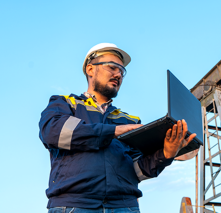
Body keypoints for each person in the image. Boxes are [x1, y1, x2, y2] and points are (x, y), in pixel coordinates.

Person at [39, 43, 196, 213]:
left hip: (124, 207)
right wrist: (112, 131)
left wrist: (166, 154)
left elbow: (137, 170)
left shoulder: (129, 120)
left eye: (122, 71)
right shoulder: (65, 104)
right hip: (74, 205)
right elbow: (53, 132)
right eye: (112, 67)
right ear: (90, 69)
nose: (119, 74)